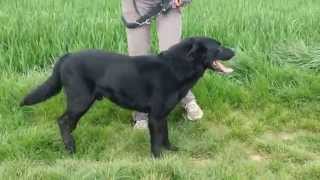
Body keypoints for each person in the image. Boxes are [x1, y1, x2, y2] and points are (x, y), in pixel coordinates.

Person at [121, 0, 232, 129]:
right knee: (138, 59)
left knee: (175, 56)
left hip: (169, 2)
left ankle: (186, 99)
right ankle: (141, 114)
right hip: (136, 3)